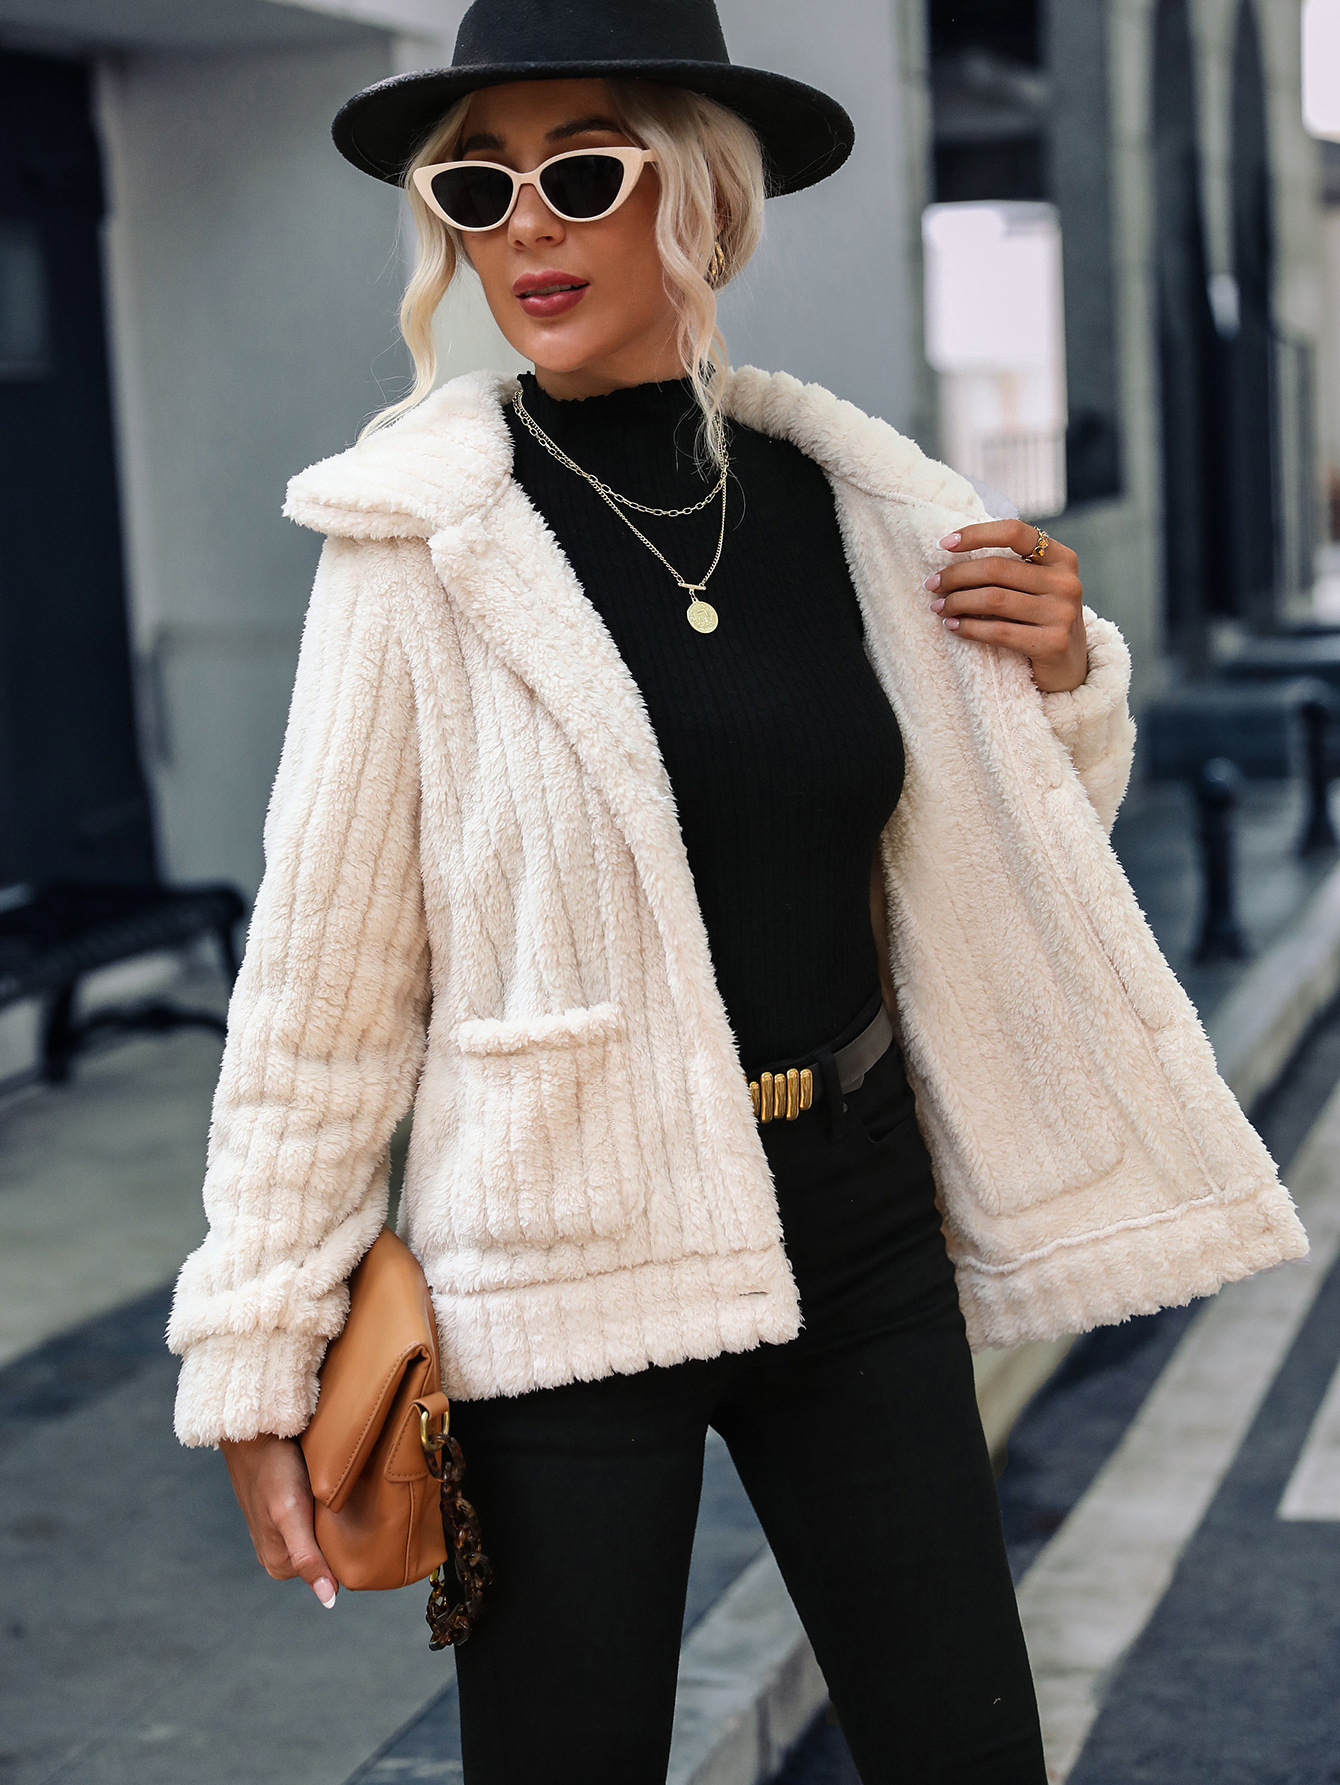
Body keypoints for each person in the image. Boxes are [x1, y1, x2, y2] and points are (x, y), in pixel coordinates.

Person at [167, 3, 1306, 1780]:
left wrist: (1065, 673)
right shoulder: (416, 550)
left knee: (967, 1748)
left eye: (582, 172)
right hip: (561, 1243)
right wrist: (261, 1338)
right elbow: (324, 989)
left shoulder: (860, 510)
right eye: (477, 186)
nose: (526, 227)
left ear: (697, 190)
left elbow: (1001, 863)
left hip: (857, 1218)